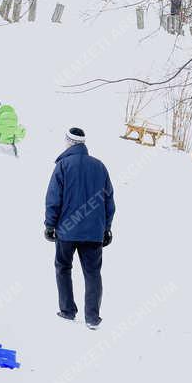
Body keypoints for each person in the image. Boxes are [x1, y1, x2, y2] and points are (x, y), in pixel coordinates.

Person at [44, 128, 116, 330]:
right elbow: (109, 201)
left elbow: (53, 198)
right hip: (93, 232)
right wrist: (106, 228)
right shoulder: (100, 167)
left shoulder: (63, 166)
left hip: (66, 230)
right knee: (93, 273)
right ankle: (92, 317)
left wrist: (50, 225)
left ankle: (67, 311)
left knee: (63, 268)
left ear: (68, 142)